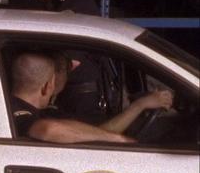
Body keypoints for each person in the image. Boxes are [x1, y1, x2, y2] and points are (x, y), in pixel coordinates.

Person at [9, 52, 168, 143]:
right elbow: (47, 129)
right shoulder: (15, 111)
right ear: (47, 85)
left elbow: (98, 132)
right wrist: (118, 140)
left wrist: (139, 105)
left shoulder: (48, 112)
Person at [24, 0, 110, 120]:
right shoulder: (68, 0)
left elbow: (70, 62)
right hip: (74, 93)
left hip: (79, 98)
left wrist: (39, 93)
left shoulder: (75, 6)